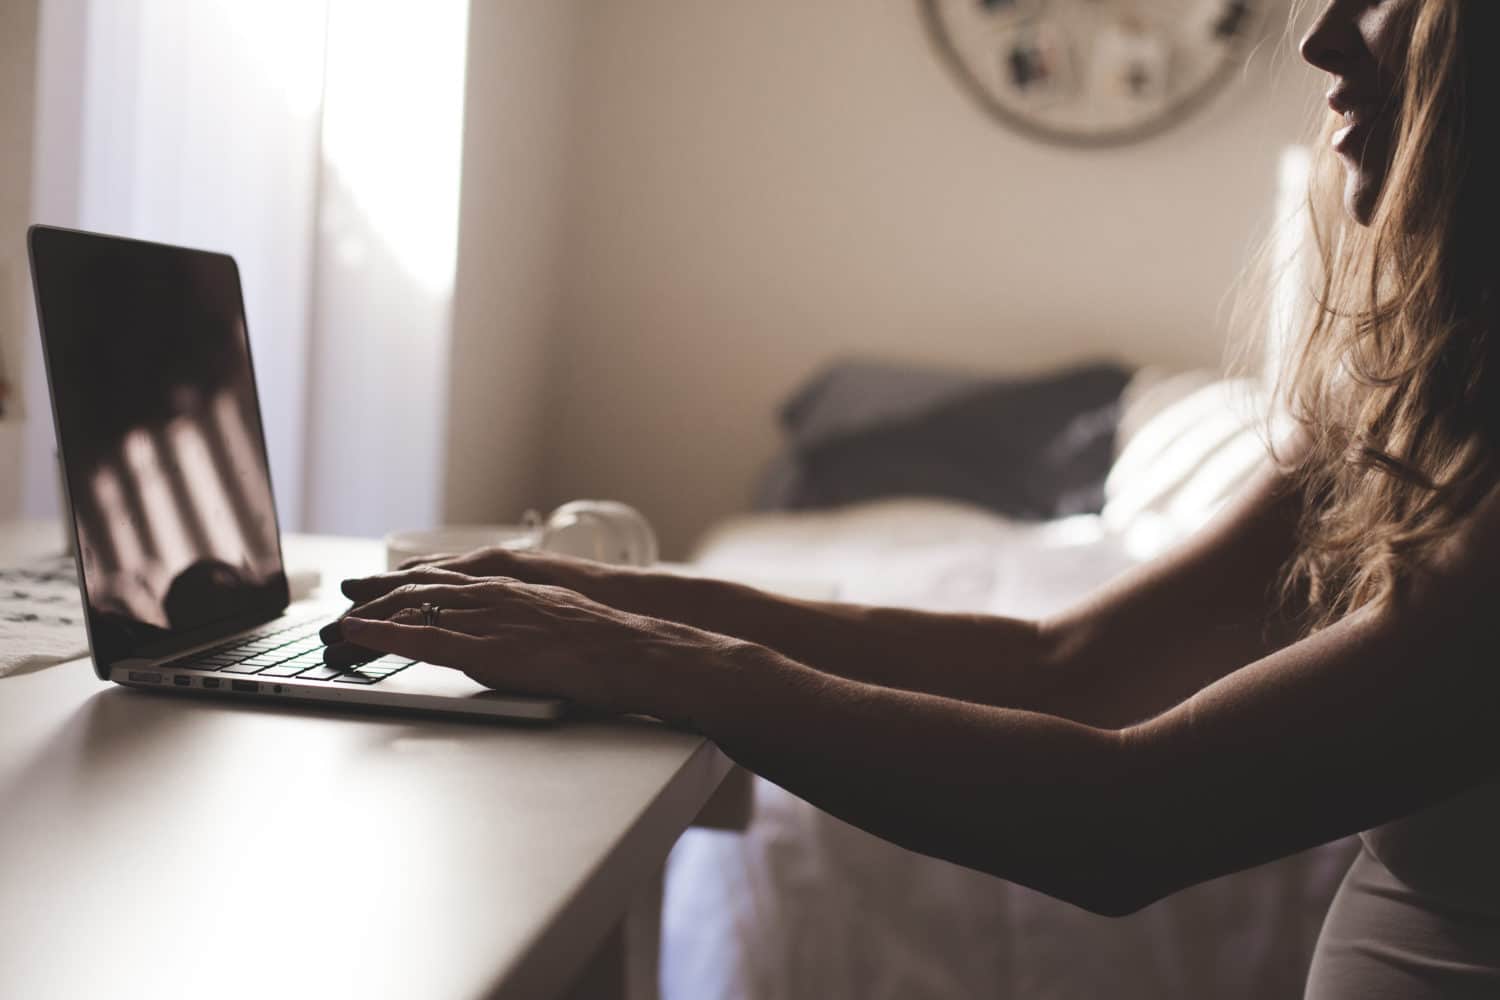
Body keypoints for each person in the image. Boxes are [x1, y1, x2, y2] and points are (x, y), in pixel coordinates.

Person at [322, 1, 1500, 994]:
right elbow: (1071, 662)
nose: (1326, 38)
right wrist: (619, 602)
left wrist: (659, 661)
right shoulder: (1421, 406)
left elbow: (1132, 810)